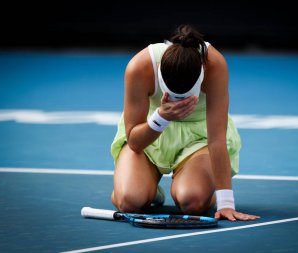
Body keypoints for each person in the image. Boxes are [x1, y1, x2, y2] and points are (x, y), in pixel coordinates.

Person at [110, 24, 260, 221]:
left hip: (199, 140)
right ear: (160, 73)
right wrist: (161, 117)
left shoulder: (215, 65)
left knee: (193, 202)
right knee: (130, 202)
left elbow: (216, 139)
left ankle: (203, 189)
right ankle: (147, 190)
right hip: (148, 136)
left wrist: (226, 204)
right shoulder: (139, 67)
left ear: (201, 76)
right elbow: (135, 142)